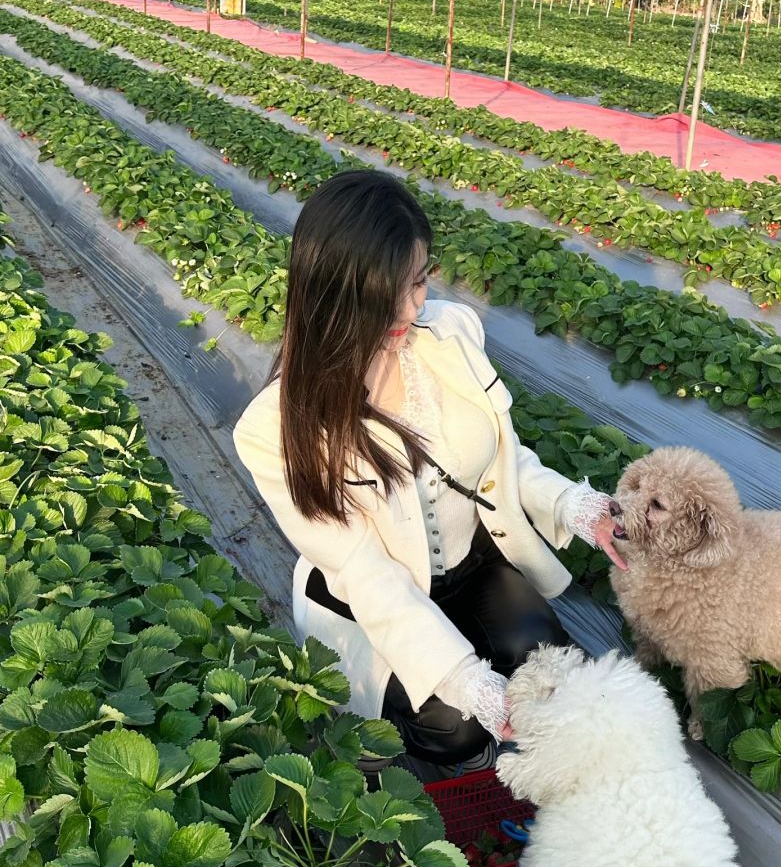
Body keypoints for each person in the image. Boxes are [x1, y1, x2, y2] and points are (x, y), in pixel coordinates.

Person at [233, 171, 624, 768]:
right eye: (383, 295)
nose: (409, 308)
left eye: (417, 281)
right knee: (456, 728)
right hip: (379, 596)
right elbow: (366, 571)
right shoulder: (276, 429)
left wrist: (576, 506)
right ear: (334, 296)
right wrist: (468, 680)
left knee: (543, 658)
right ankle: (405, 724)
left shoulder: (449, 335)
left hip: (473, 564)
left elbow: (497, 457)